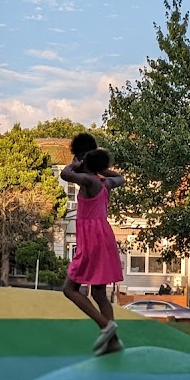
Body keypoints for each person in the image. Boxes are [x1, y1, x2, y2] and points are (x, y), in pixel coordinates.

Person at [61, 147, 125, 355]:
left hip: (91, 239)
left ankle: (105, 326)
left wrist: (76, 165)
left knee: (69, 289)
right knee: (99, 293)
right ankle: (113, 342)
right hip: (104, 236)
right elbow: (121, 177)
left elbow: (65, 173)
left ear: (87, 165)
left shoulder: (90, 182)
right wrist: (104, 171)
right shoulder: (107, 183)